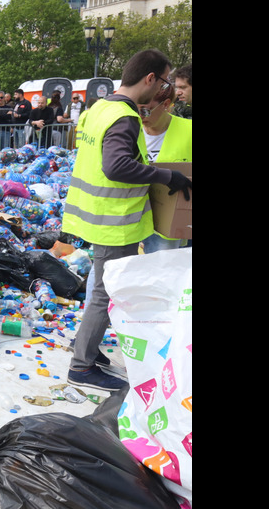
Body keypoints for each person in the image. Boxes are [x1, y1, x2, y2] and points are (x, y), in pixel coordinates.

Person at [62, 49, 193, 392]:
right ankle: (82, 366)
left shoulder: (99, 107)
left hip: (96, 215)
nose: (166, 89)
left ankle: (86, 350)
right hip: (113, 220)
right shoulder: (124, 116)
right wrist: (166, 176)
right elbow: (116, 166)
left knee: (101, 289)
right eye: (164, 81)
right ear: (150, 79)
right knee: (105, 294)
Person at [137, 81, 192, 254]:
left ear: (166, 105)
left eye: (146, 110)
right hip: (133, 218)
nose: (141, 116)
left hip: (170, 225)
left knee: (163, 274)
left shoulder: (188, 130)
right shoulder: (130, 129)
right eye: (137, 110)